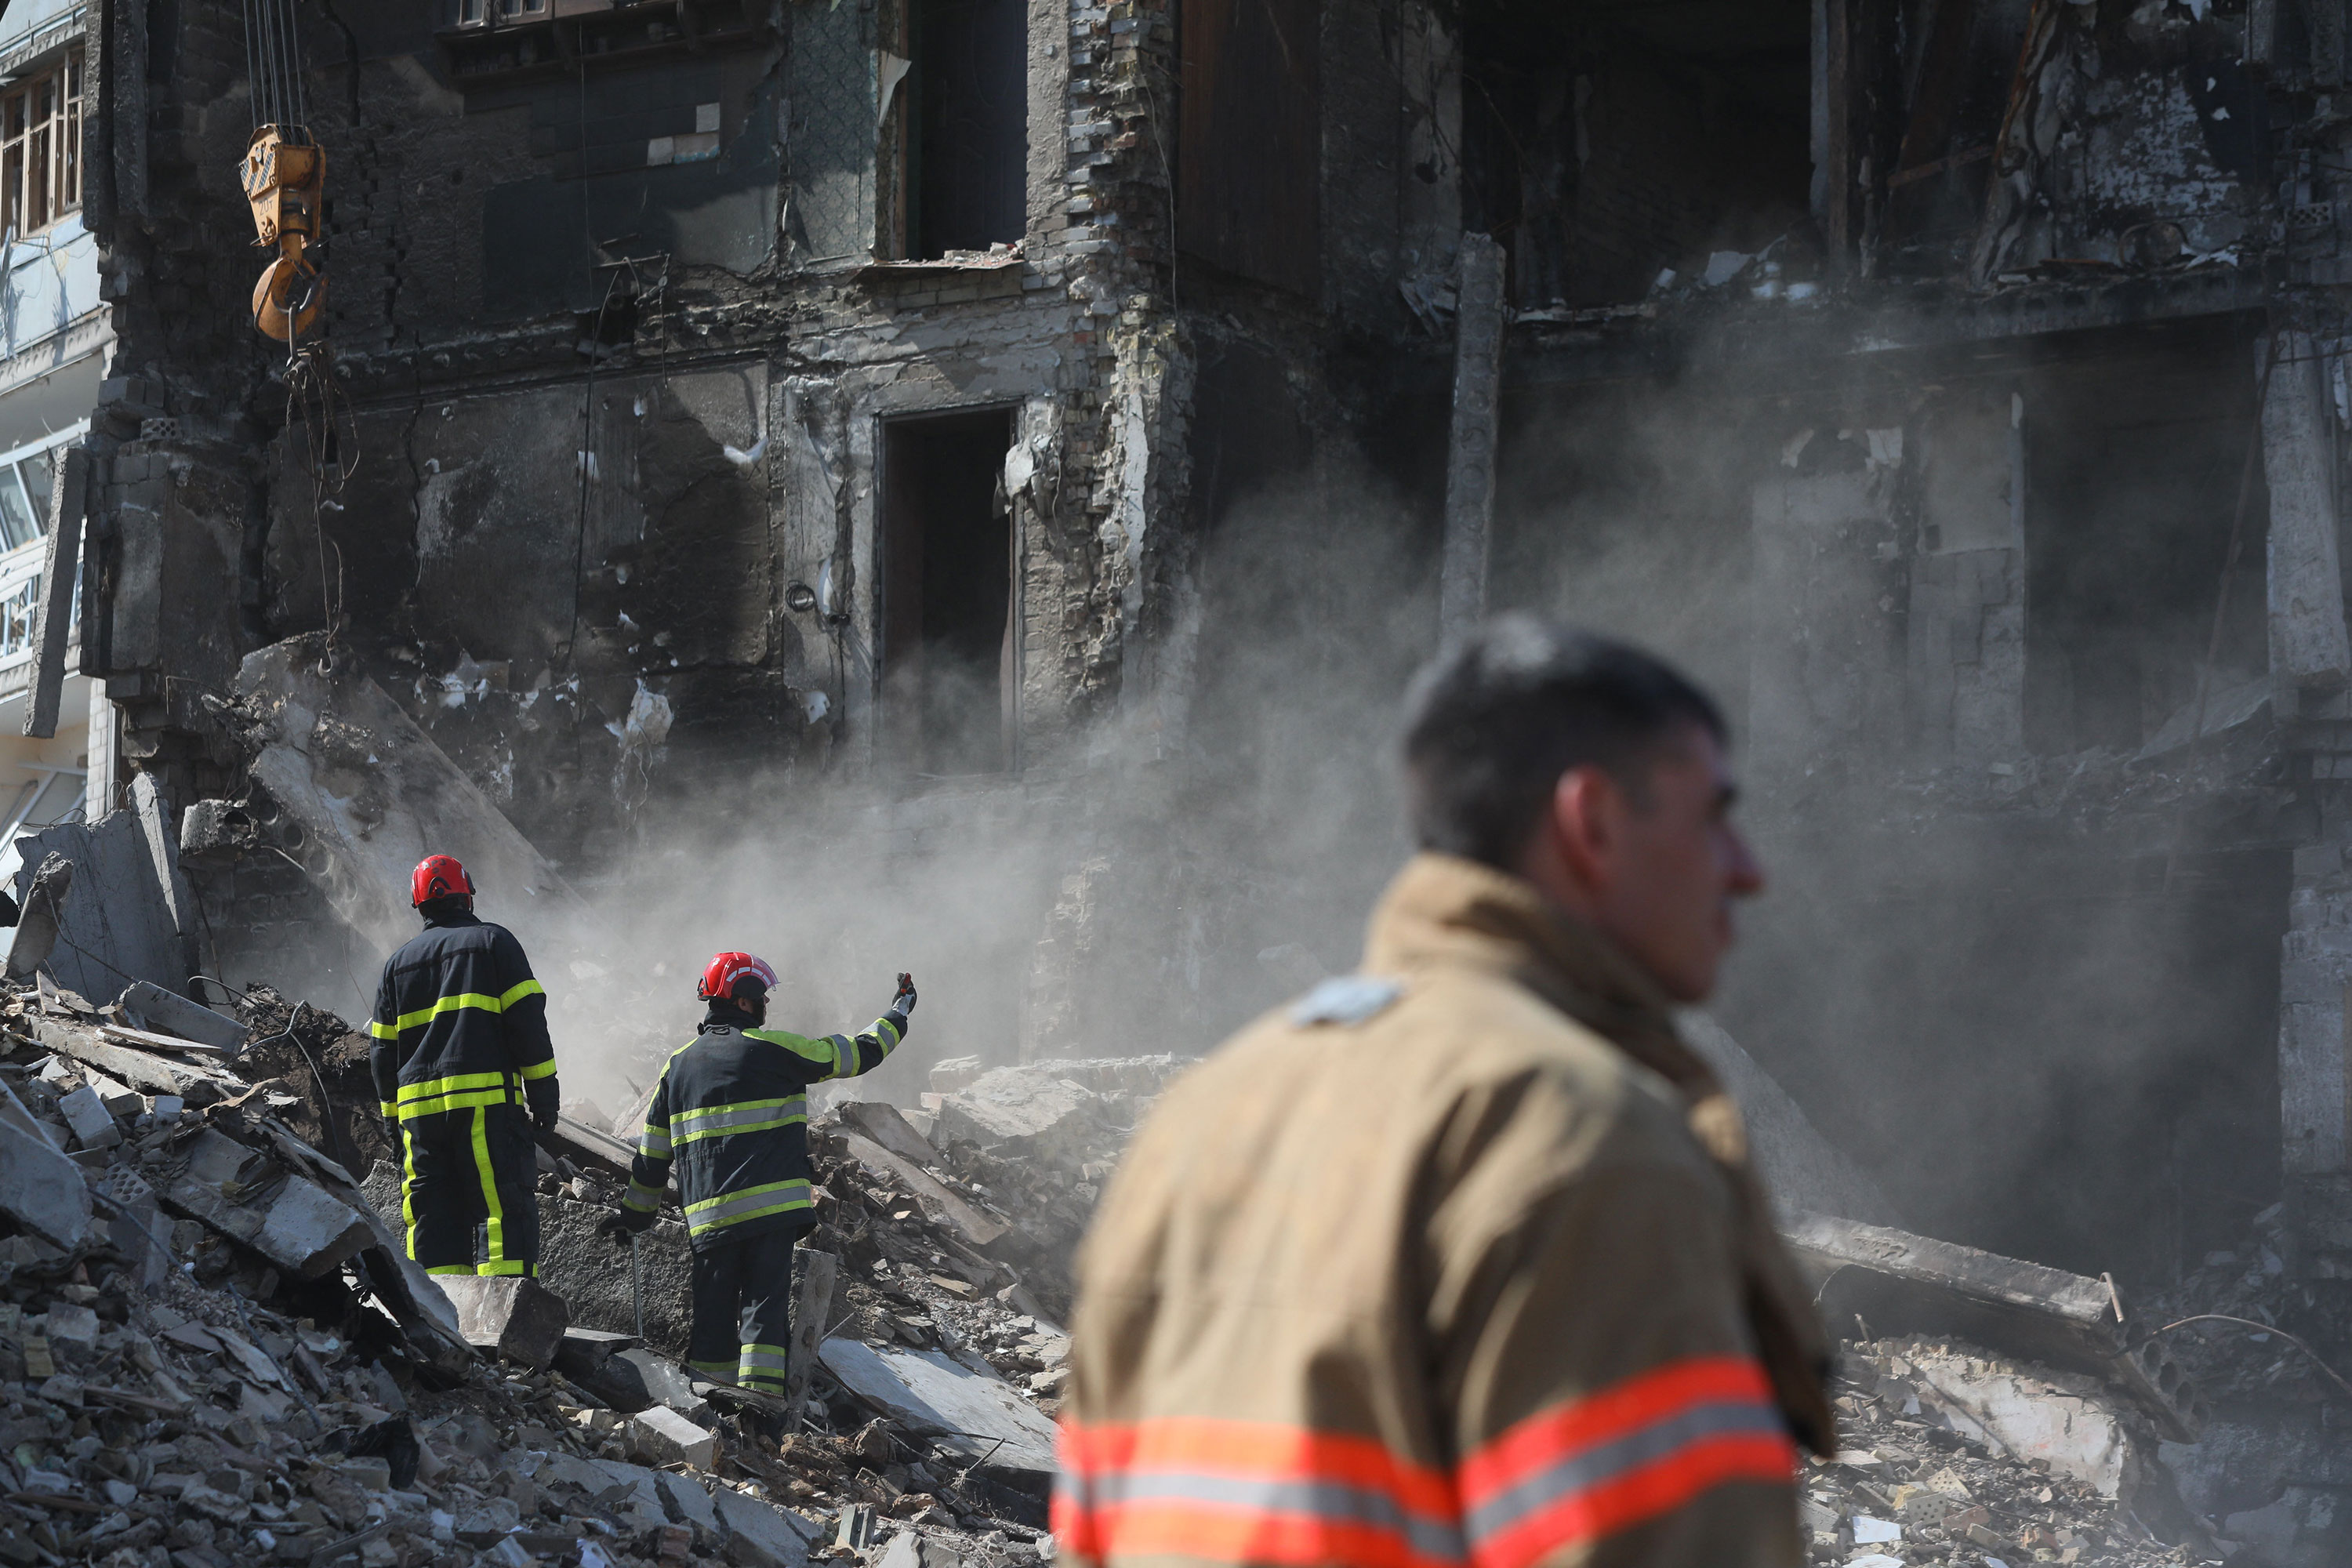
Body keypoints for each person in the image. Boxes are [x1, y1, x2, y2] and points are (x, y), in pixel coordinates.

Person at [1055, 619, 1835, 1568]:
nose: (1746, 868)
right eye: (1713, 816)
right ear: (1590, 819)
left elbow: (1094, 1528)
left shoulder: (1199, 1117)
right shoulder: (1584, 1139)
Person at [602, 953, 916, 1393]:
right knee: (763, 1313)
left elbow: (653, 1155)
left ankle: (709, 1407)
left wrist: (635, 1216)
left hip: (709, 1220)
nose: (767, 1002)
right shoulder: (774, 1049)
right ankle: (760, 1411)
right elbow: (856, 1054)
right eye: (762, 996)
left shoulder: (677, 1066)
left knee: (712, 1317)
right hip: (771, 1213)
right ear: (746, 1002)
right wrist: (898, 1014)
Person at [369, 854, 560, 1279]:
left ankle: (443, 1329)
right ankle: (505, 1326)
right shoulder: (494, 943)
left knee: (433, 1220)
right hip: (486, 1109)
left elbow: (382, 1054)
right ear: (467, 895)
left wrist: (391, 1122)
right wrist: (545, 1101)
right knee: (502, 1213)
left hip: (419, 1121)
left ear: (418, 904)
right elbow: (528, 1026)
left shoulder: (395, 966)